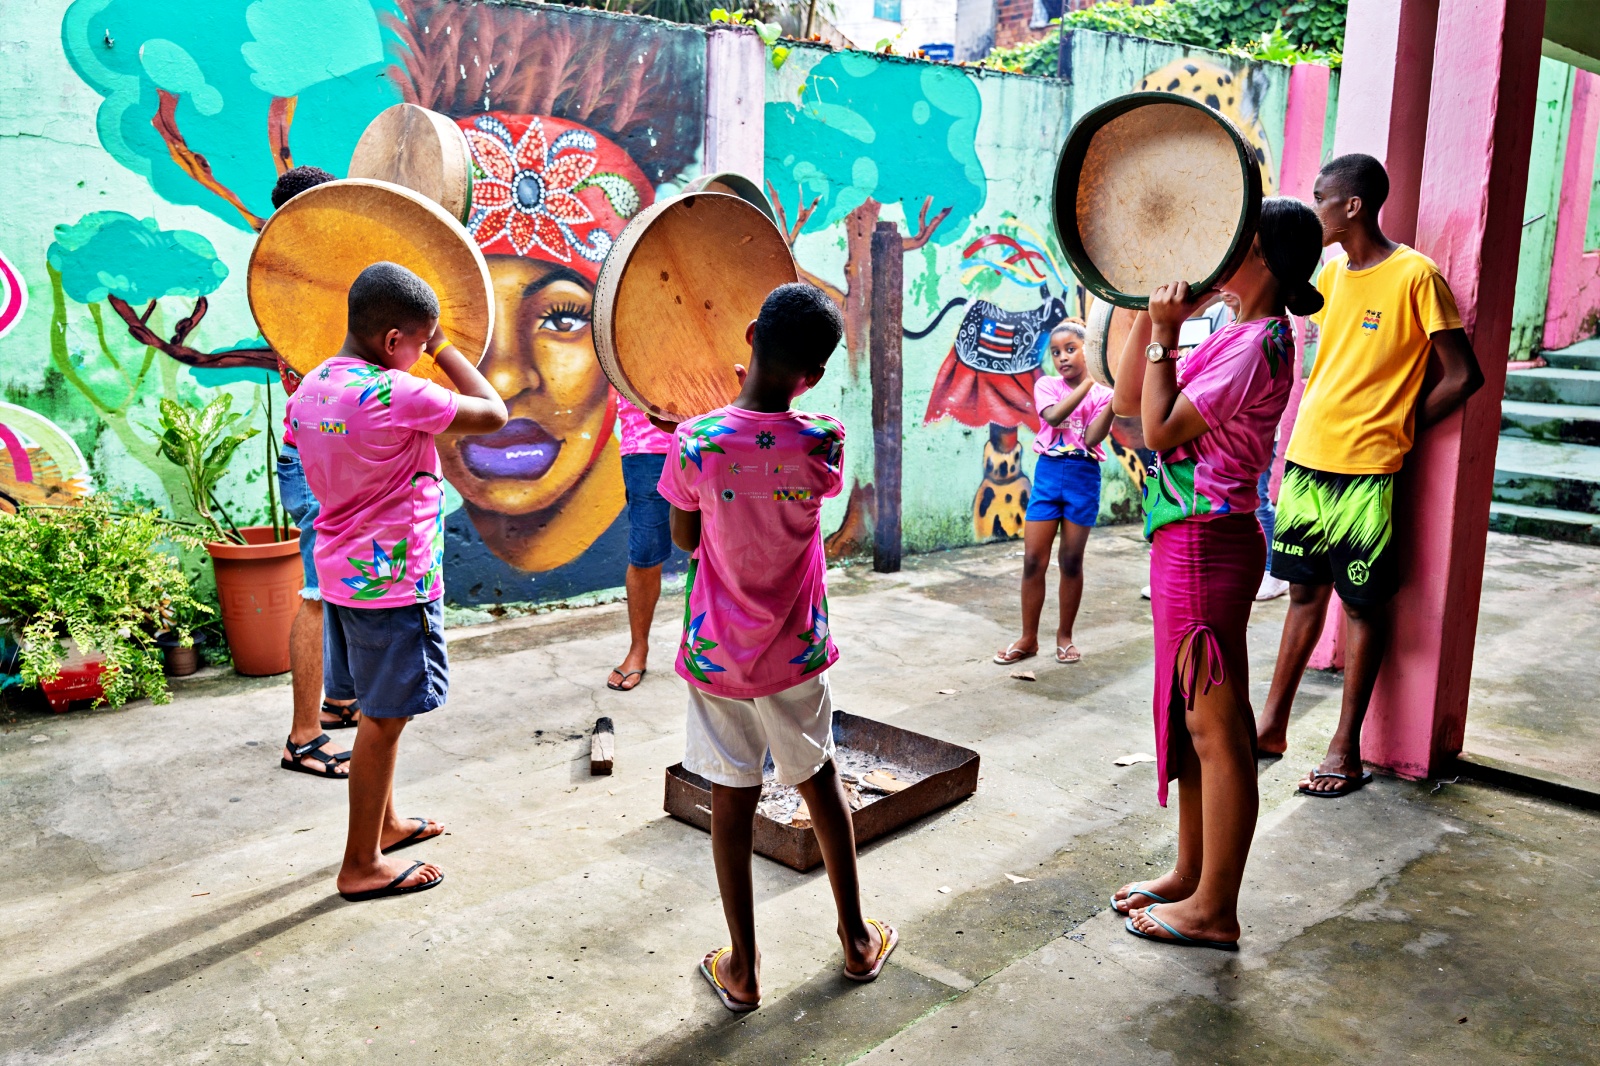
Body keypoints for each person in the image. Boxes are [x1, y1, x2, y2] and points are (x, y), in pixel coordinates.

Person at [657, 283, 895, 1011]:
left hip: (718, 654)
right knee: (819, 779)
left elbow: (685, 538)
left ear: (751, 335)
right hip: (794, 651)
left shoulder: (695, 441)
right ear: (814, 375)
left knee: (731, 798)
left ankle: (744, 969)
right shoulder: (822, 438)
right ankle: (856, 940)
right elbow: (781, 460)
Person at [1108, 198, 1325, 950]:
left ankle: (1215, 909)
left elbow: (1163, 430)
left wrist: (1168, 334)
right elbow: (1129, 408)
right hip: (1188, 538)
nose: (1216, 244)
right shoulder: (1237, 332)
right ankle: (1191, 874)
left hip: (1206, 541)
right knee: (1189, 716)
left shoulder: (1258, 342)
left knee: (1216, 726)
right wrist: (1147, 319)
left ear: (1259, 252)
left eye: (1233, 234)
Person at [1255, 154, 1483, 797]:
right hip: (1306, 459)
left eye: (1322, 197)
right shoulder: (1328, 273)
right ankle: (1271, 726)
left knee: (1361, 605)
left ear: (1352, 205)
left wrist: (1402, 425)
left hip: (1366, 469)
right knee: (1303, 595)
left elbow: (1464, 375)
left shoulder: (1417, 276)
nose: (1316, 207)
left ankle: (1345, 749)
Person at [292, 262, 508, 901]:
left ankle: (385, 824)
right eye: (416, 342)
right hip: (395, 583)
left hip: (343, 576)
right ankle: (361, 863)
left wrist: (424, 338)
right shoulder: (397, 392)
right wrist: (443, 345)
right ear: (394, 341)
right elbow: (493, 412)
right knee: (384, 720)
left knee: (377, 711)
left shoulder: (310, 389)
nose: (420, 354)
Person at [269, 165, 362, 779]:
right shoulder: (299, 289)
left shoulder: (288, 279)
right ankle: (303, 739)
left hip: (325, 457)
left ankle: (337, 700)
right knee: (314, 594)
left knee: (336, 591)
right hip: (317, 459)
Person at [994, 320, 1114, 666]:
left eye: (1071, 349)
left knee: (1071, 561)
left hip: (1083, 475)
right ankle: (1028, 638)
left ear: (1088, 350)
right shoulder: (1047, 385)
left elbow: (1092, 439)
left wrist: (1111, 397)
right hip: (1048, 474)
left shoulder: (1105, 394)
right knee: (1034, 560)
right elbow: (1055, 415)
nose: (1062, 357)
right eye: (1056, 352)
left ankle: (1065, 637)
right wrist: (1091, 380)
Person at [606, 396, 676, 691]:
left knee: (721, 548)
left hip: (713, 437)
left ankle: (722, 648)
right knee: (645, 552)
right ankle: (639, 649)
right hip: (647, 447)